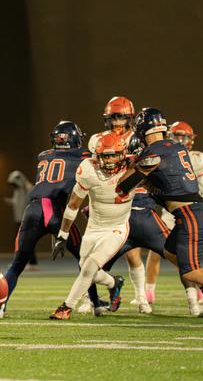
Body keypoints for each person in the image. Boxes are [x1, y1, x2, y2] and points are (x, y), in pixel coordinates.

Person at [117, 107, 203, 319]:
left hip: (189, 213)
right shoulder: (175, 147)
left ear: (142, 129)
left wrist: (131, 163)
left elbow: (123, 186)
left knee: (191, 270)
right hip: (195, 210)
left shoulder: (154, 152)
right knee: (170, 253)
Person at [0, 121, 104, 319]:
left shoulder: (44, 155)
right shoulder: (83, 156)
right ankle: (96, 304)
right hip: (55, 210)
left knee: (17, 264)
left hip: (32, 209)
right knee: (84, 260)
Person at [49, 132, 134, 320]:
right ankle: (113, 283)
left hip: (117, 227)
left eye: (113, 155)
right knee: (86, 268)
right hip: (94, 227)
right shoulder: (88, 169)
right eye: (105, 156)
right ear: (97, 155)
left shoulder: (134, 166)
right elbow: (73, 205)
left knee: (89, 267)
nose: (109, 161)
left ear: (123, 154)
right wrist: (62, 235)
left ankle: (66, 307)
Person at [81, 95, 148, 312]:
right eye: (113, 117)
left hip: (132, 196)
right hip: (104, 198)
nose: (117, 121)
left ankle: (141, 297)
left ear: (130, 118)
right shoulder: (97, 139)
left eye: (121, 117)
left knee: (132, 251)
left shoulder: (137, 138)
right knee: (92, 254)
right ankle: (89, 298)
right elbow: (94, 171)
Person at [145, 120, 203, 305]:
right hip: (173, 211)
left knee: (187, 257)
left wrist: (199, 218)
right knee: (161, 250)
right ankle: (149, 291)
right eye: (178, 136)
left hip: (191, 210)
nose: (182, 140)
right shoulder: (164, 152)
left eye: (185, 137)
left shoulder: (197, 158)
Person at [5, 170, 38, 268]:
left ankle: (29, 263)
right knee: (22, 241)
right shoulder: (17, 191)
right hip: (19, 219)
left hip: (26, 219)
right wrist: (10, 201)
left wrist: (27, 185)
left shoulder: (26, 188)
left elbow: (33, 195)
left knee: (25, 241)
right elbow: (17, 202)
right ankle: (29, 262)